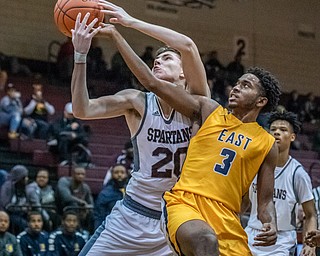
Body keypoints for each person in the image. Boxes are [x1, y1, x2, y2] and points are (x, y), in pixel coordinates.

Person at [95, 3, 281, 255]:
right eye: (236, 84)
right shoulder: (209, 110)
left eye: (245, 85)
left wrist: (270, 222)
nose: (235, 88)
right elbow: (151, 82)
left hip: (227, 218)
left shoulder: (267, 143)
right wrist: (119, 34)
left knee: (212, 242)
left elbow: (265, 200)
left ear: (261, 101)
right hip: (185, 204)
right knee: (205, 240)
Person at [71, 1, 210, 254]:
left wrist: (129, 22)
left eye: (167, 58)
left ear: (184, 74)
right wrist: (80, 56)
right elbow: (82, 110)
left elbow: (187, 45)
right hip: (131, 216)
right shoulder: (137, 102)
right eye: (155, 60)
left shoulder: (198, 103)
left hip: (175, 220)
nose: (157, 62)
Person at [244, 111, 317, 255]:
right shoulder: (254, 166)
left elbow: (310, 214)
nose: (277, 132)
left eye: (283, 130)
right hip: (251, 235)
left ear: (292, 137)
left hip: (281, 242)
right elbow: (244, 203)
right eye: (273, 129)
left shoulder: (298, 174)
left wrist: (310, 245)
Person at [55, 165, 94, 233]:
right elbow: (66, 197)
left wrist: (86, 209)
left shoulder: (85, 187)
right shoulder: (64, 181)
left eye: (82, 174)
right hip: (61, 210)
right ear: (73, 175)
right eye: (78, 174)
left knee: (92, 213)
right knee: (73, 204)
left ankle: (88, 232)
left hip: (80, 212)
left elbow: (91, 204)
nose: (80, 176)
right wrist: (81, 202)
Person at [93, 164, 127, 229]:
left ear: (126, 174)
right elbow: (99, 216)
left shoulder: (131, 191)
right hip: (111, 227)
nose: (119, 175)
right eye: (116, 172)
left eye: (122, 172)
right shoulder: (105, 193)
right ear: (112, 175)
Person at [0, 165, 29, 235]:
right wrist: (21, 208)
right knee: (23, 224)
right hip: (8, 214)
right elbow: (6, 205)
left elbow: (26, 202)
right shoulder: (7, 187)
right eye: (24, 177)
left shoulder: (23, 188)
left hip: (20, 213)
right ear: (19, 177)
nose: (27, 179)